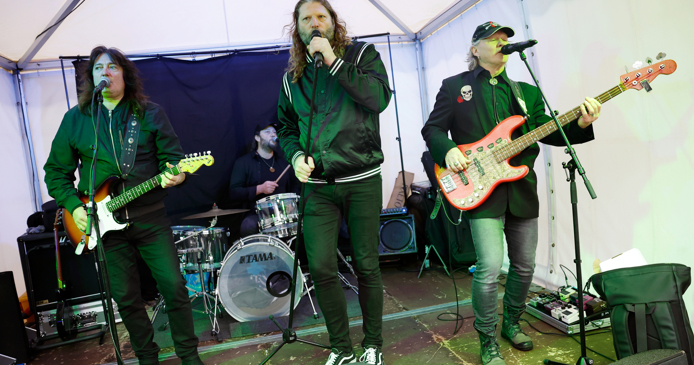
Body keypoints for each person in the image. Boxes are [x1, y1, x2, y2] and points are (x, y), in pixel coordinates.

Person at [421, 22, 601, 365]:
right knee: (489, 267)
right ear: (475, 49)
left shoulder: (525, 92)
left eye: (505, 38)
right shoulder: (454, 87)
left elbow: (547, 132)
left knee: (524, 267)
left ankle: (512, 323)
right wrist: (447, 150)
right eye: (493, 39)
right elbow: (432, 128)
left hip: (520, 188)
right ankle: (488, 339)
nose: (502, 42)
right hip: (479, 189)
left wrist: (581, 124)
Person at [43, 46, 203, 365]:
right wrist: (75, 208)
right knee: (126, 299)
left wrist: (178, 176)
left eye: (113, 67)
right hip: (104, 228)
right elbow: (55, 173)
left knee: (173, 287)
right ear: (91, 77)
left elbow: (174, 161)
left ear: (125, 76)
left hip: (150, 218)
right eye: (99, 68)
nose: (106, 73)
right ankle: (146, 359)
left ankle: (189, 356)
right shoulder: (77, 119)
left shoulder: (149, 112)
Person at [277, 1, 392, 364]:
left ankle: (372, 344)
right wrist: (295, 157)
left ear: (333, 23)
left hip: (361, 180)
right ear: (297, 27)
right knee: (323, 268)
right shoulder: (292, 77)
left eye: (321, 16)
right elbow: (286, 127)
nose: (314, 23)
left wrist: (333, 61)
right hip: (319, 188)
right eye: (306, 18)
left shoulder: (362, 55)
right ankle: (342, 349)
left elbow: (378, 99)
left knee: (366, 265)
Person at [228, 122, 299, 237]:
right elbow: (233, 193)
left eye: (274, 132)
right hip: (258, 216)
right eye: (267, 132)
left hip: (286, 214)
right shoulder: (244, 163)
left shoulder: (285, 162)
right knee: (248, 225)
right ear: (257, 138)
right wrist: (259, 189)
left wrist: (292, 203)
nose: (272, 135)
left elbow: (296, 186)